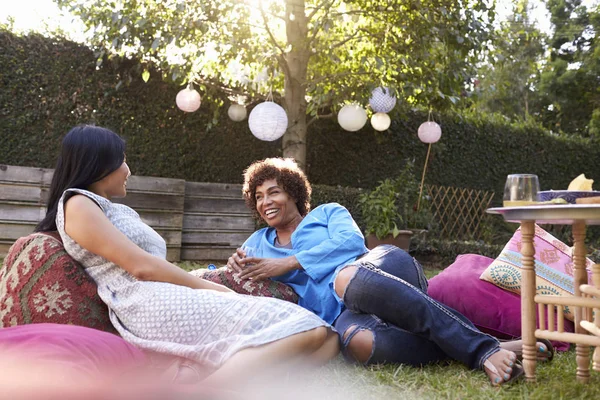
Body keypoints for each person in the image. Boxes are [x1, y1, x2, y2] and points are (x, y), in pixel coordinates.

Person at [35, 126, 339, 388]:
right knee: (310, 330)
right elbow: (141, 267)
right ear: (99, 163)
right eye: (123, 161)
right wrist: (213, 287)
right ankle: (197, 391)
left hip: (165, 295)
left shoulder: (100, 206)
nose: (128, 170)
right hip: (147, 303)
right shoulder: (78, 203)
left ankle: (217, 379)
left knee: (329, 341)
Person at [227, 157, 532, 386]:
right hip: (341, 314)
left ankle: (481, 349)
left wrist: (289, 262)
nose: (266, 201)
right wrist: (229, 266)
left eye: (273, 192)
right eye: (258, 196)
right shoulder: (257, 242)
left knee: (345, 279)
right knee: (360, 345)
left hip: (381, 268)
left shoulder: (328, 212)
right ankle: (497, 346)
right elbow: (227, 276)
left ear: (292, 193)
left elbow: (350, 242)